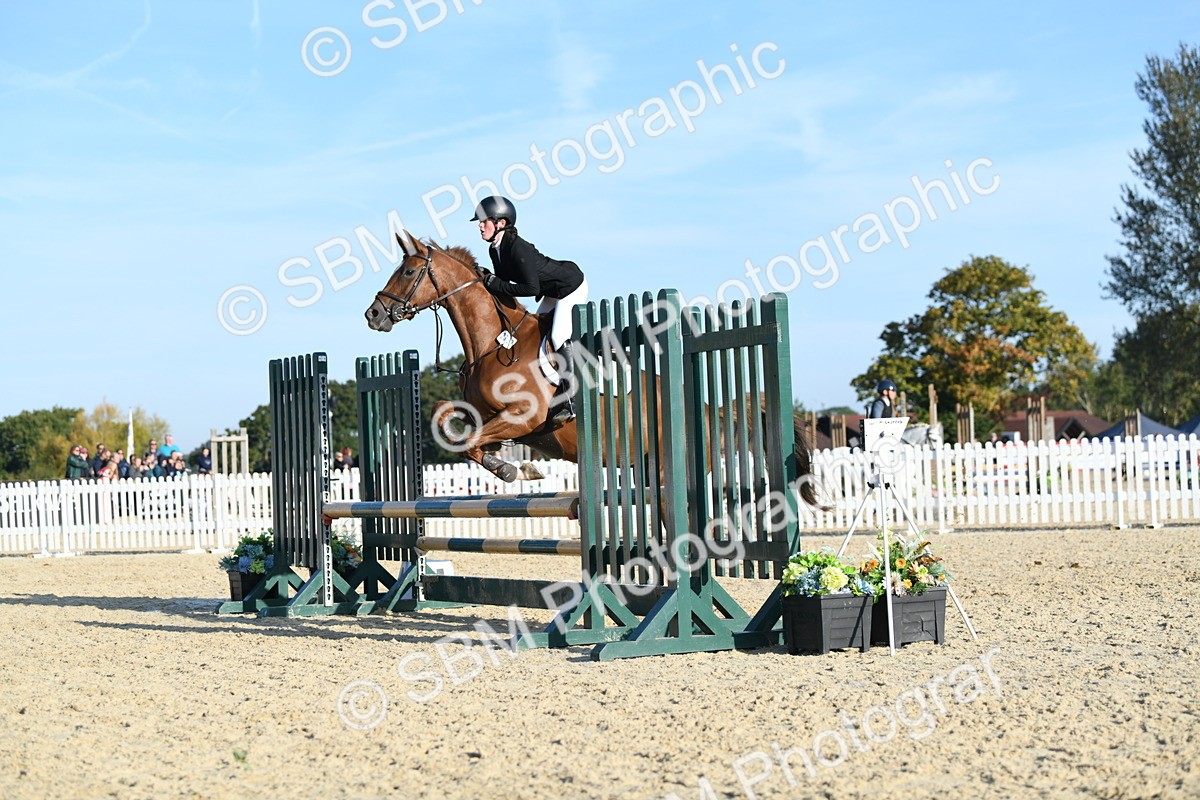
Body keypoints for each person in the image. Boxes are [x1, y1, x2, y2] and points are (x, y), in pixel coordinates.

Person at [470, 196, 588, 425]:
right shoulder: (495, 249)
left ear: (501, 223)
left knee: (557, 335)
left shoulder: (516, 247)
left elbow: (529, 288)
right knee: (534, 330)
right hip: (552, 291)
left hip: (569, 286)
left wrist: (494, 283)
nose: (480, 225)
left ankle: (570, 400)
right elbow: (503, 282)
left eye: (484, 221)